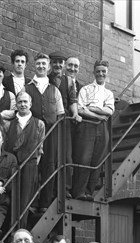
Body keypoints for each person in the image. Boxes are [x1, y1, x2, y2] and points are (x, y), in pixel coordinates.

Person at [25, 53, 65, 211]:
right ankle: (32, 203)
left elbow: (61, 114)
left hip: (51, 132)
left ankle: (44, 204)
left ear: (48, 67)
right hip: (32, 130)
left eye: (44, 64)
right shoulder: (26, 87)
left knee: (49, 166)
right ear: (34, 66)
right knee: (33, 165)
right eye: (38, 64)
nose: (41, 66)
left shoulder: (55, 90)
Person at [72, 60, 115, 201]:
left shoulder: (109, 93)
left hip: (102, 129)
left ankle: (89, 192)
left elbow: (109, 110)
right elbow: (79, 109)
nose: (101, 74)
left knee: (97, 160)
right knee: (84, 158)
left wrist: (92, 108)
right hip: (87, 125)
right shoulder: (86, 89)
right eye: (98, 71)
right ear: (94, 72)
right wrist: (98, 115)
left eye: (103, 71)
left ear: (107, 73)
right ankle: (79, 192)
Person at [4, 92, 45, 226]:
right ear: (16, 104)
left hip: (30, 165)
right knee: (10, 198)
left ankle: (21, 229)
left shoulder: (39, 124)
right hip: (11, 165)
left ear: (30, 104)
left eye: (25, 102)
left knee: (25, 201)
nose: (22, 104)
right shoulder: (8, 125)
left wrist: (32, 166)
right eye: (20, 102)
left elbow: (40, 149)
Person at [48, 51, 82, 201]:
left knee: (66, 155)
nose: (57, 65)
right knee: (51, 156)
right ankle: (50, 190)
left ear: (63, 65)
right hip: (49, 120)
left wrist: (75, 114)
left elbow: (73, 100)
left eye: (60, 62)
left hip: (65, 121)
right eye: (54, 62)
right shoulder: (45, 79)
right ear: (51, 63)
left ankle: (65, 188)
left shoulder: (68, 81)